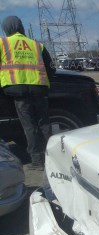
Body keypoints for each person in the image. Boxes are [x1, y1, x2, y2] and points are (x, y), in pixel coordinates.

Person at [0, 16, 55, 170]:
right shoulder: (37, 45)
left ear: (6, 28)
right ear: (21, 27)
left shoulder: (2, 43)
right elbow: (51, 69)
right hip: (39, 89)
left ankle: (37, 161)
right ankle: (54, 156)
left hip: (18, 92)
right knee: (44, 124)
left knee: (30, 126)